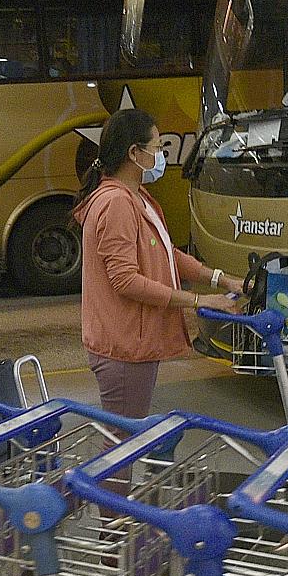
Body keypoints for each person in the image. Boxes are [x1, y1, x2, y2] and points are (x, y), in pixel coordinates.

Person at [72, 108, 244, 418]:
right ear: (134, 153)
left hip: (132, 344)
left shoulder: (137, 197)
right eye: (157, 147)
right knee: (123, 441)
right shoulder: (117, 203)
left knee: (126, 436)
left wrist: (222, 279)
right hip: (123, 347)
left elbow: (167, 253)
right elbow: (125, 281)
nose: (161, 155)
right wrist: (197, 300)